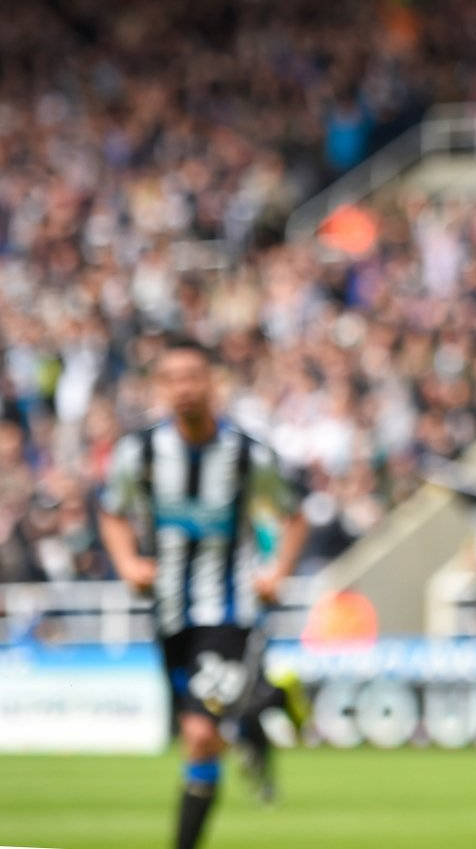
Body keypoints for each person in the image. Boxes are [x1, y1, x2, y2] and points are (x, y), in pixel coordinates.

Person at [99, 338, 308, 849]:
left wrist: (277, 570)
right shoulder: (140, 451)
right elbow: (112, 511)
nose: (184, 388)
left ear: (212, 383)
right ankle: (271, 697)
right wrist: (127, 561)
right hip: (168, 614)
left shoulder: (246, 454)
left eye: (193, 376)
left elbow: (294, 515)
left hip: (228, 611)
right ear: (160, 388)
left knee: (200, 735)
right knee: (199, 732)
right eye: (172, 378)